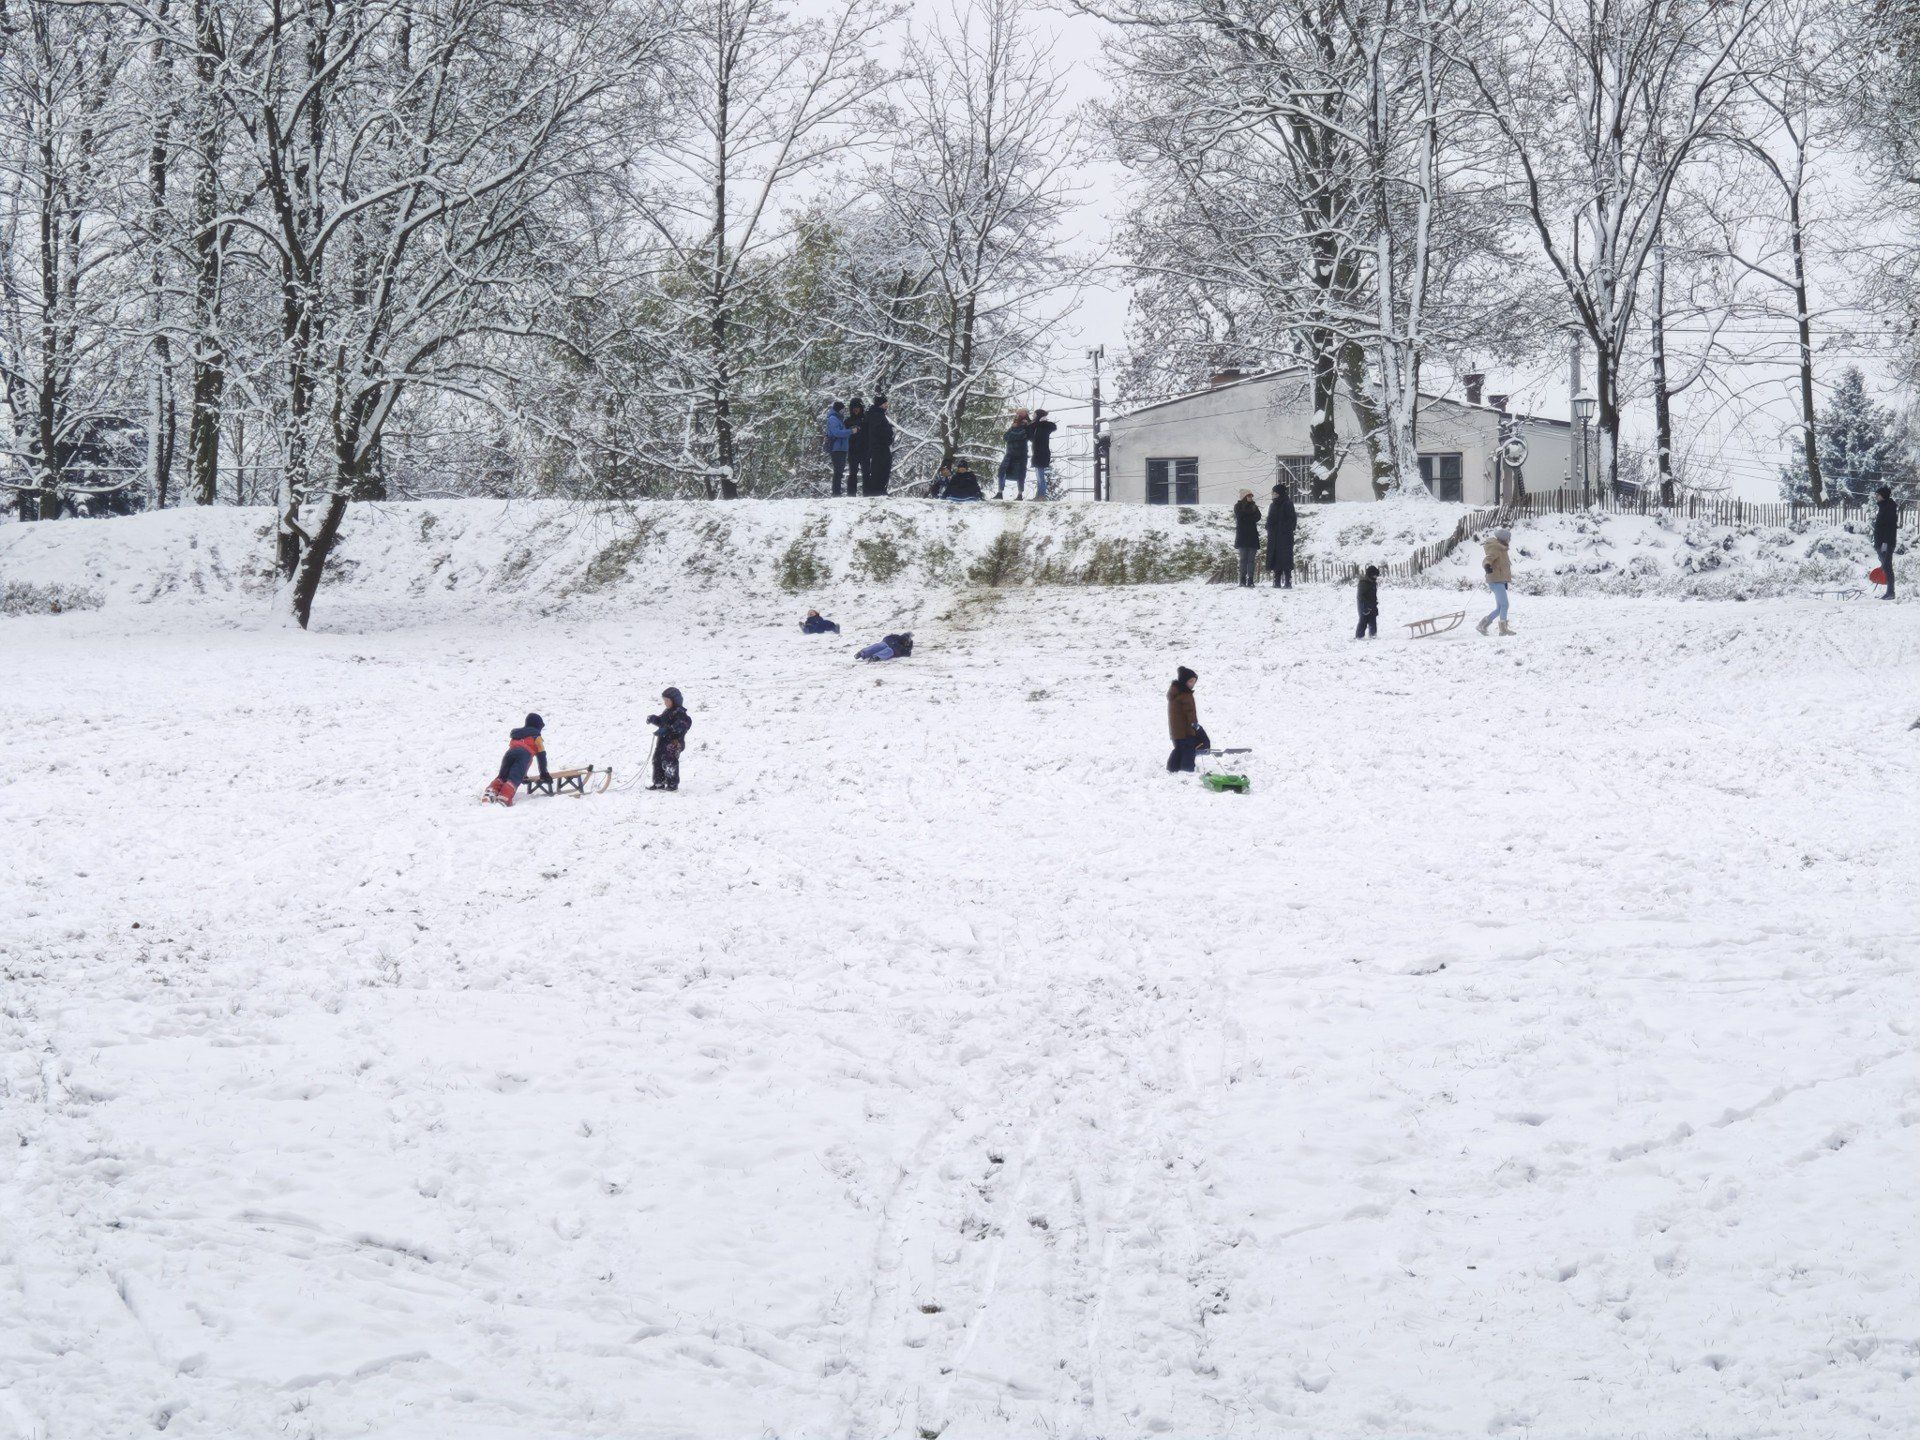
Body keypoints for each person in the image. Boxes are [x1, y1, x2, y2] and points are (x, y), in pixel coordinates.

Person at [485, 712, 549, 806]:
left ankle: (490, 793)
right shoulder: (537, 737)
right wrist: (544, 774)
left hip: (509, 754)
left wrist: (524, 775)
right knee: (514, 779)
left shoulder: (518, 734)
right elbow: (541, 757)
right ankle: (504, 798)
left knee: (502, 776)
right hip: (524, 755)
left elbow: (517, 755)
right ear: (537, 726)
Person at [647, 688, 691, 791]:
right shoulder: (667, 712)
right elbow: (661, 721)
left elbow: (680, 726)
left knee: (669, 761)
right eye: (664, 700)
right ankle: (659, 782)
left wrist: (667, 730)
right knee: (657, 760)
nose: (665, 703)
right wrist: (654, 719)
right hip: (663, 742)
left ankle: (672, 784)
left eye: (667, 700)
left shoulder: (680, 713)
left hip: (674, 743)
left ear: (675, 700)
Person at [1477, 526, 1514, 636]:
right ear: (1503, 539)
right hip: (1496, 580)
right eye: (1508, 538)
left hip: (1499, 580)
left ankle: (1482, 625)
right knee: (1505, 605)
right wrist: (1487, 565)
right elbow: (1488, 558)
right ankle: (1503, 630)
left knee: (1500, 608)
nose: (1509, 540)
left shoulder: (1501, 548)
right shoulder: (1496, 548)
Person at [1167, 667, 1202, 773]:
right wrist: (1195, 725)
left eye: (1194, 682)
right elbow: (1190, 713)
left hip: (1176, 731)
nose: (1193, 684)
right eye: (1190, 681)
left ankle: (1172, 768)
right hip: (1185, 731)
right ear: (1184, 681)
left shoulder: (1175, 693)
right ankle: (1187, 770)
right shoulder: (1185, 695)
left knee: (1179, 749)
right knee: (1188, 750)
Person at [1267, 483, 1297, 588]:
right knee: (1275, 557)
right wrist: (1269, 528)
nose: (1273, 494)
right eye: (1273, 493)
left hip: (1285, 537)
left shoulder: (1288, 504)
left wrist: (1283, 528)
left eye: (1274, 493)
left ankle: (1288, 581)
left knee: (1285, 558)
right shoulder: (1272, 505)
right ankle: (1277, 581)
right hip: (1274, 537)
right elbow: (1269, 519)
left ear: (1279, 493)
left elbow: (1292, 519)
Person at [997, 409, 1031, 499]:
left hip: (1021, 453)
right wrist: (1013, 429)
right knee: (1001, 471)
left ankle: (1020, 495)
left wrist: (1013, 431)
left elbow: (1021, 435)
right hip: (1010, 453)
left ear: (1025, 413)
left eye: (1020, 413)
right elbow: (1005, 437)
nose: (1017, 414)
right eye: (1017, 413)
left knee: (1021, 474)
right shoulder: (1015, 423)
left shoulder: (1028, 424)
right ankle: (999, 493)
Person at [865, 394, 895, 495]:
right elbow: (877, 431)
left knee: (882, 466)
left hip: (879, 446)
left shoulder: (877, 414)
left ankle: (879, 489)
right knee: (880, 467)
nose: (887, 405)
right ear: (880, 404)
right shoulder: (876, 415)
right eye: (885, 403)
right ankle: (877, 490)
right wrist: (889, 432)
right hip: (879, 446)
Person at [1873, 484, 1898, 600]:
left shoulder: (1889, 508)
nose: (1876, 497)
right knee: (1886, 567)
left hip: (1886, 543)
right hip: (1881, 543)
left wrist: (1885, 544)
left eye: (1878, 495)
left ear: (1883, 495)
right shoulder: (1884, 507)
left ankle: (1891, 593)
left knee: (1887, 567)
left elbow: (1890, 528)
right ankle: (1889, 592)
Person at [1233, 490, 1262, 586]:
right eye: (1248, 496)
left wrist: (1249, 517)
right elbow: (1241, 518)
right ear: (1244, 497)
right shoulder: (1238, 506)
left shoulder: (1254, 506)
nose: (1250, 498)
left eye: (1251, 496)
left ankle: (1250, 579)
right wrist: (1250, 517)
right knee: (1243, 559)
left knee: (1251, 560)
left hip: (1252, 536)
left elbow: (1258, 517)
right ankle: (1242, 579)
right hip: (1242, 536)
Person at [823, 401, 852, 496]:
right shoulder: (833, 419)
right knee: (838, 470)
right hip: (836, 448)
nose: (844, 411)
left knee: (840, 470)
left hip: (842, 448)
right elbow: (837, 433)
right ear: (839, 409)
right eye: (842, 409)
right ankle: (836, 492)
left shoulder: (839, 419)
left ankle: (837, 491)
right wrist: (851, 431)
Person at [1029, 409, 1058, 499]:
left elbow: (1053, 427)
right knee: (1038, 477)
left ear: (1038, 415)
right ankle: (1038, 495)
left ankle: (1041, 495)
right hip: (1037, 454)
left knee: (1041, 477)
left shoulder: (1044, 426)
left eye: (1034, 415)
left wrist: (1042, 422)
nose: (1033, 416)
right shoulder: (1036, 426)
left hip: (1042, 454)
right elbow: (1030, 436)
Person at [844, 397, 869, 497]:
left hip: (865, 450)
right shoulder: (847, 421)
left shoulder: (866, 420)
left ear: (861, 408)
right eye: (853, 408)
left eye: (857, 407)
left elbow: (871, 434)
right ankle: (851, 495)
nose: (855, 410)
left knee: (866, 473)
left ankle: (867, 494)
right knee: (852, 474)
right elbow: (844, 434)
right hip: (852, 451)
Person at [1356, 565, 1380, 639]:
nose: (1376, 577)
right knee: (1363, 621)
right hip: (1363, 606)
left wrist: (1374, 605)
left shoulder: (1373, 582)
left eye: (1377, 575)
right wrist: (1365, 607)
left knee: (1373, 620)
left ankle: (1373, 635)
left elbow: (1373, 595)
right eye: (1375, 575)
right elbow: (1360, 596)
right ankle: (1359, 637)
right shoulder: (1363, 583)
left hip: (1372, 605)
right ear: (1370, 574)